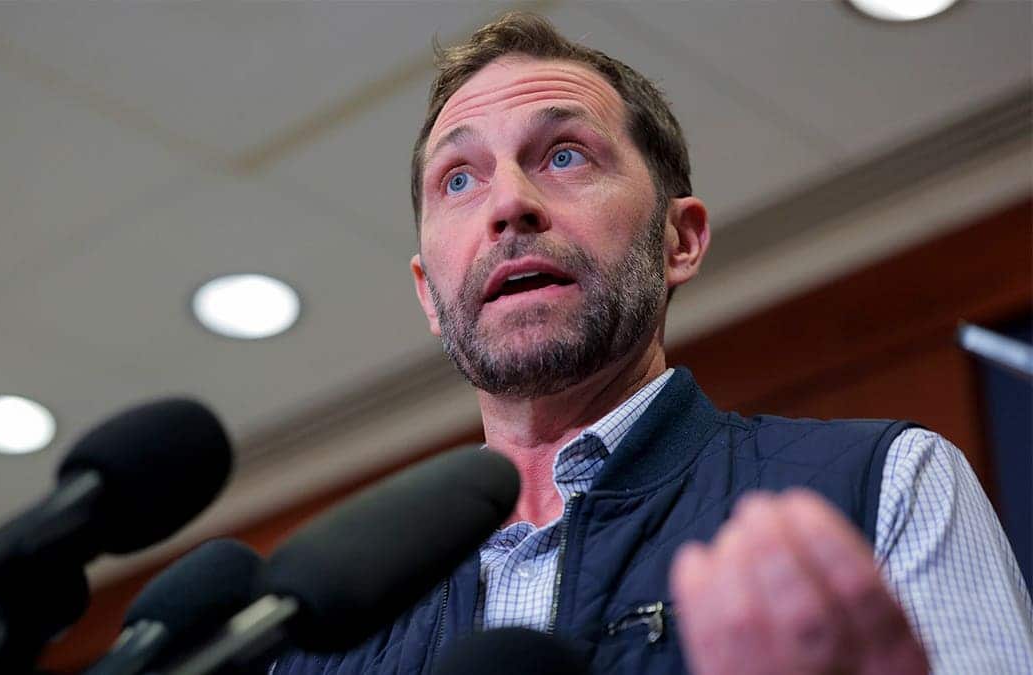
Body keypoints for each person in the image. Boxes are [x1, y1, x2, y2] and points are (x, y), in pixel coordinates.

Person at [273, 12, 1032, 674]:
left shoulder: (884, 487)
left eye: (565, 155)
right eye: (459, 180)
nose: (508, 203)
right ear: (428, 294)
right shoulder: (318, 631)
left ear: (680, 239)